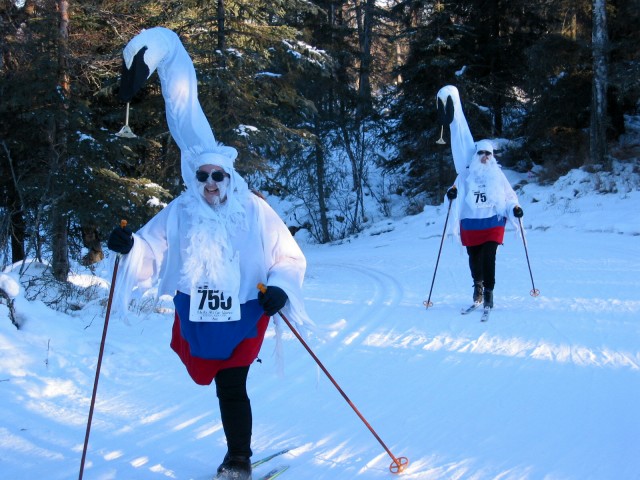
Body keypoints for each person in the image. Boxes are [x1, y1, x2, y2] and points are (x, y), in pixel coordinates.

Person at [107, 27, 310, 480]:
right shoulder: (181, 210)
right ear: (193, 180)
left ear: (231, 176)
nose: (211, 183)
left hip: (242, 312)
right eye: (202, 176)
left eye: (218, 175)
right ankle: (237, 452)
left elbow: (289, 257)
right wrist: (129, 247)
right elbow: (151, 248)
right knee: (212, 377)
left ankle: (238, 457)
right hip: (197, 314)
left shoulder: (254, 211)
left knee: (231, 386)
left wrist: (278, 289)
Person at [437, 86, 524, 309]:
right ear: (475, 155)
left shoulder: (497, 175)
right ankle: (477, 284)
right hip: (471, 223)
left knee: (489, 257)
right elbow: (452, 195)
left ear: (493, 157)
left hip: (493, 222)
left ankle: (489, 292)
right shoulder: (466, 175)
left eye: (489, 154)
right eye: (481, 153)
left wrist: (514, 208)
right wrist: (452, 194)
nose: (485, 157)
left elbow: (509, 196)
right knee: (474, 259)